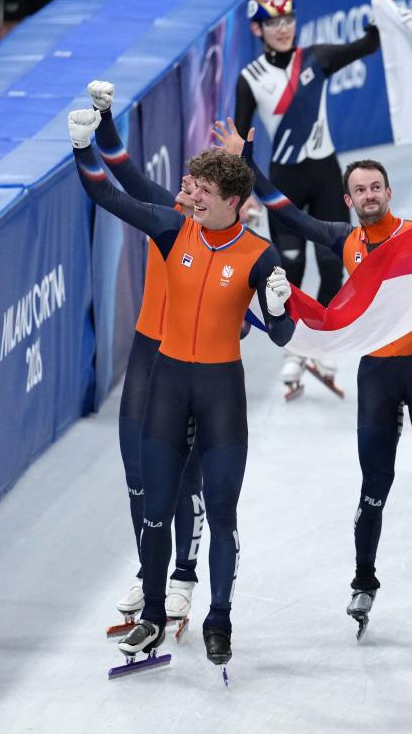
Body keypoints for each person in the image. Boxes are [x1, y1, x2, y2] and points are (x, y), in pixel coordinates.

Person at [229, 122, 412, 639]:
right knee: (374, 487)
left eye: (376, 187)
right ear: (348, 200)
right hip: (377, 375)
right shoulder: (344, 239)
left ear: (389, 192)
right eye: (360, 190)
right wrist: (248, 163)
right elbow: (286, 211)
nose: (369, 196)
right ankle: (363, 581)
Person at [68, 108, 295, 667]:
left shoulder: (259, 254)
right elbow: (107, 193)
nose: (193, 198)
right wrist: (81, 146)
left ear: (234, 202)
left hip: (221, 395)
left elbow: (282, 334)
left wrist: (279, 306)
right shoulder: (172, 229)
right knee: (154, 508)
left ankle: (219, 619)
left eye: (205, 193)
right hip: (167, 384)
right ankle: (151, 615)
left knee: (222, 515)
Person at [85, 81, 204, 627]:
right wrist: (105, 117)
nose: (183, 188)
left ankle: (183, 577)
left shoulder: (219, 239)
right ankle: (148, 570)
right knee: (136, 472)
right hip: (145, 352)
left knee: (183, 478)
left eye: (195, 185)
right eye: (185, 181)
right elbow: (122, 167)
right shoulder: (165, 211)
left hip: (190, 362)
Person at [235, 0, 389, 392]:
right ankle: (295, 345)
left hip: (325, 176)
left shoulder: (317, 57)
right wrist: (241, 193)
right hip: (284, 180)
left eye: (288, 19)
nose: (283, 28)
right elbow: (240, 140)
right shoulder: (250, 79)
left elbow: (368, 45)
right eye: (273, 23)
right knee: (291, 268)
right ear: (257, 29)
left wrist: (378, 11)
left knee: (332, 265)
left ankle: (321, 340)